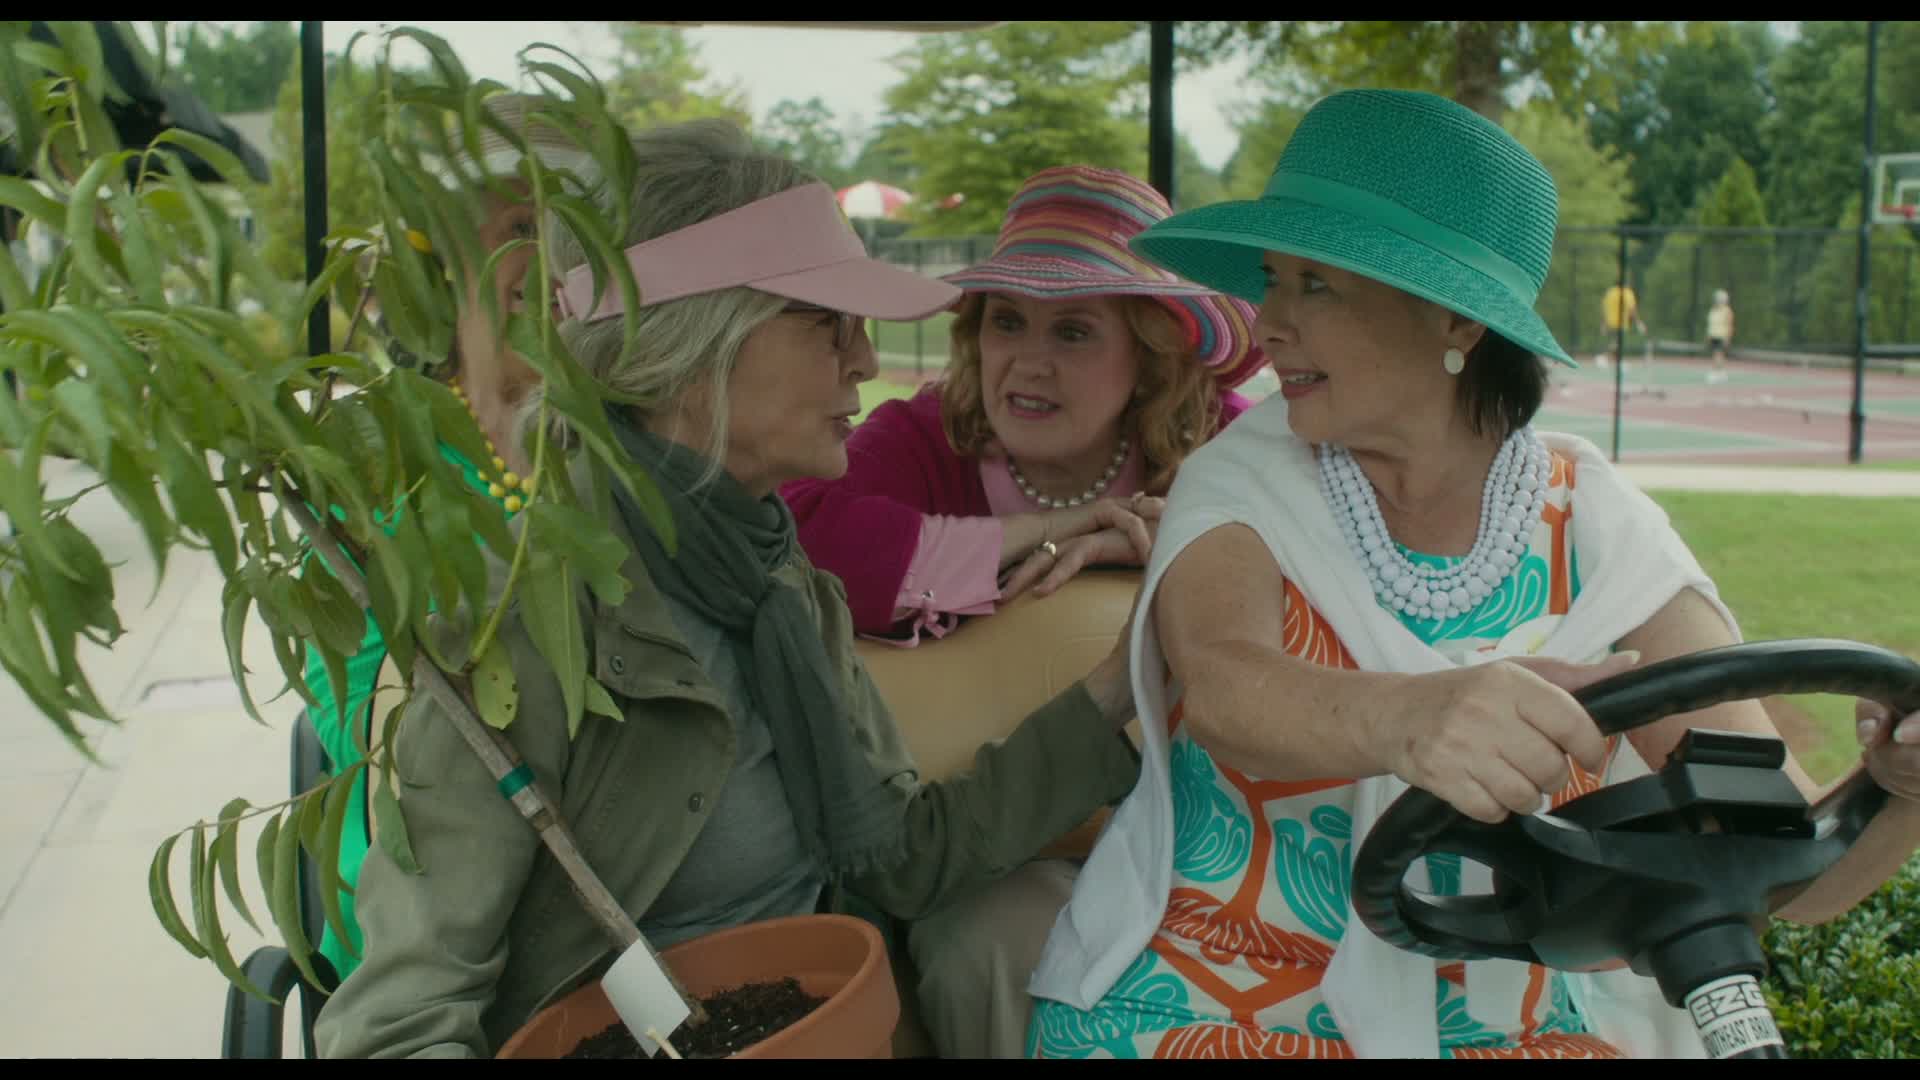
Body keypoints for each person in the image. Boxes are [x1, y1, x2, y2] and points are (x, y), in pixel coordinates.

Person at [1023, 88, 1920, 1060]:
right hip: (1206, 1006)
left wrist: (1902, 786)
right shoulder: (1237, 477)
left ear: (1456, 323)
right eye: (1274, 280)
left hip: (1515, 1033)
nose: (1269, 321)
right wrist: (1416, 716)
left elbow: (1785, 866)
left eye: (1315, 286)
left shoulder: (1600, 522)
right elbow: (1228, 687)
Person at [312, 118, 1146, 1059]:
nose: (866, 361)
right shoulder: (529, 614)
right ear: (693, 345)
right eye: (828, 323)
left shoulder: (777, 576)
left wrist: (1121, 684)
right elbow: (402, 1016)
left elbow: (898, 858)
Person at [299, 93, 591, 986]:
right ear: (440, 263)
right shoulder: (371, 463)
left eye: (577, 230)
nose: (554, 257)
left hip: (614, 881)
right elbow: (355, 717)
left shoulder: (622, 447)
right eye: (521, 226)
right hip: (432, 900)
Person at [782, 165, 1265, 643]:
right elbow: (787, 537)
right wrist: (1049, 530)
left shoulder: (1220, 436)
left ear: (1148, 357)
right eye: (1008, 322)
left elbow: (1303, 552)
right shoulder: (923, 437)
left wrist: (1190, 544)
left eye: (1072, 332)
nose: (1030, 363)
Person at [1597, 277, 1646, 370]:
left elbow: (1604, 308)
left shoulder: (1610, 292)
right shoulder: (1627, 293)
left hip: (1610, 322)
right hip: (1621, 322)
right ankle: (1604, 358)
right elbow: (1632, 310)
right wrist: (1639, 323)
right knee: (1617, 343)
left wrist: (1603, 323)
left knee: (1615, 343)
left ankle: (1613, 361)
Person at [1706, 288, 1735, 384]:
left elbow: (1730, 325)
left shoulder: (1727, 311)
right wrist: (1709, 336)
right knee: (1717, 354)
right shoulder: (1713, 310)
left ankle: (1717, 372)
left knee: (1718, 354)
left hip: (1721, 336)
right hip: (1713, 336)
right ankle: (1721, 372)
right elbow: (1711, 324)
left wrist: (1728, 337)